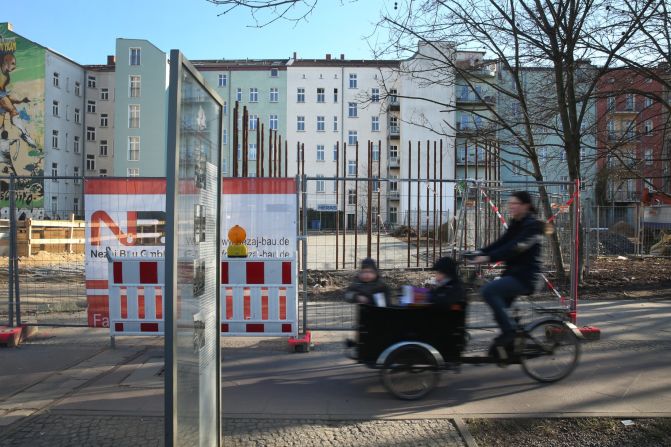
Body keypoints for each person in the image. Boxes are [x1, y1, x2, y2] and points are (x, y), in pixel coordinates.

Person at [469, 191, 544, 348]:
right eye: (509, 204)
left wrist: (488, 258)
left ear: (526, 206)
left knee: (488, 291)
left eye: (514, 204)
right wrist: (480, 252)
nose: (510, 207)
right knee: (500, 312)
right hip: (515, 274)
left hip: (526, 278)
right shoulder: (516, 223)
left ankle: (510, 333)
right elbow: (501, 243)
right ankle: (515, 343)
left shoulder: (532, 226)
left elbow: (514, 248)